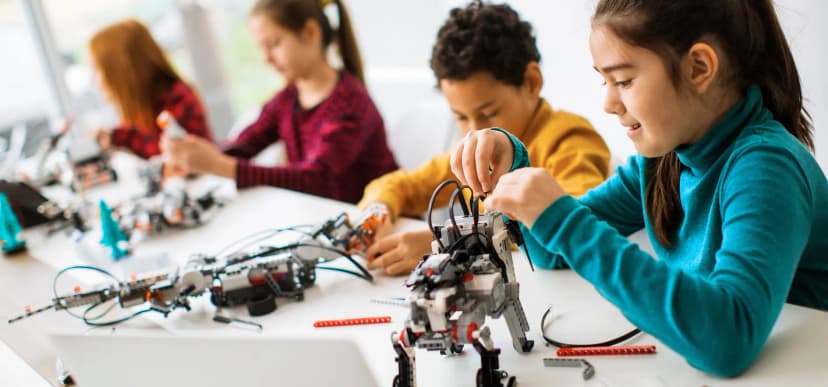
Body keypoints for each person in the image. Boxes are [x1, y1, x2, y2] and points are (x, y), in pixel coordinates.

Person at [450, 0, 828, 377]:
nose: (609, 104)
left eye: (624, 80)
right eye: (605, 81)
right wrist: (515, 169)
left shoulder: (767, 167)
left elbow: (729, 339)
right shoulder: (664, 161)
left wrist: (564, 221)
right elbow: (553, 251)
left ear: (699, 68)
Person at [360, 1, 610, 275]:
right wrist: (377, 212)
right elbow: (400, 185)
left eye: (489, 113)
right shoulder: (476, 150)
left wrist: (451, 243)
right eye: (461, 116)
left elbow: (572, 224)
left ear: (531, 82)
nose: (473, 131)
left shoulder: (569, 139)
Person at [163, 0, 397, 203]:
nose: (266, 59)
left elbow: (316, 179)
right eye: (261, 48)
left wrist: (218, 165)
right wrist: (195, 156)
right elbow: (246, 144)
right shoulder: (287, 98)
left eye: (273, 44)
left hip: (381, 228)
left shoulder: (351, 103)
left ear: (310, 33)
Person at [90, 19, 213, 159]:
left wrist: (119, 137)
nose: (95, 81)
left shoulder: (178, 98)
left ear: (122, 71)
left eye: (98, 70)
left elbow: (177, 155)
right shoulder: (140, 109)